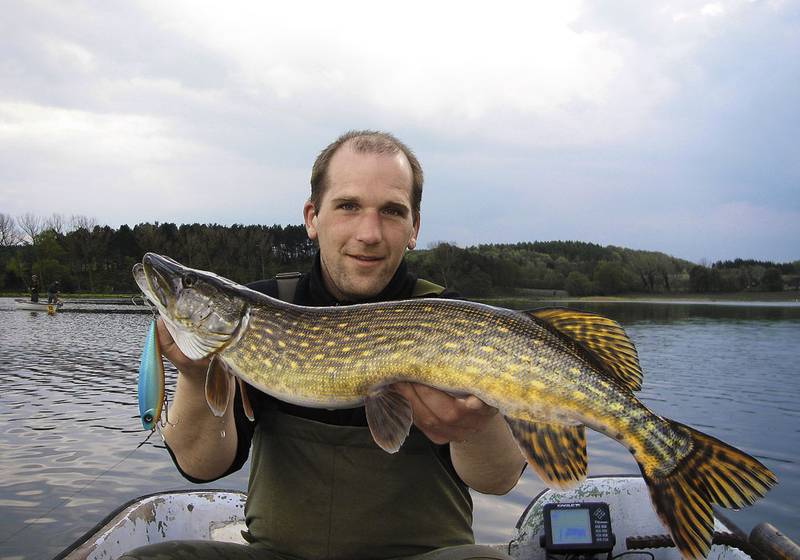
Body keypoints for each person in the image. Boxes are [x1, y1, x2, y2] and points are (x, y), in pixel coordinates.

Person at [123, 131, 525, 560]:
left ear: (414, 229)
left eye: (391, 211)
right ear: (313, 218)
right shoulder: (267, 307)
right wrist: (195, 372)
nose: (369, 233)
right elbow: (202, 466)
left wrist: (474, 426)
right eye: (348, 206)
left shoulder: (450, 320)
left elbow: (498, 480)